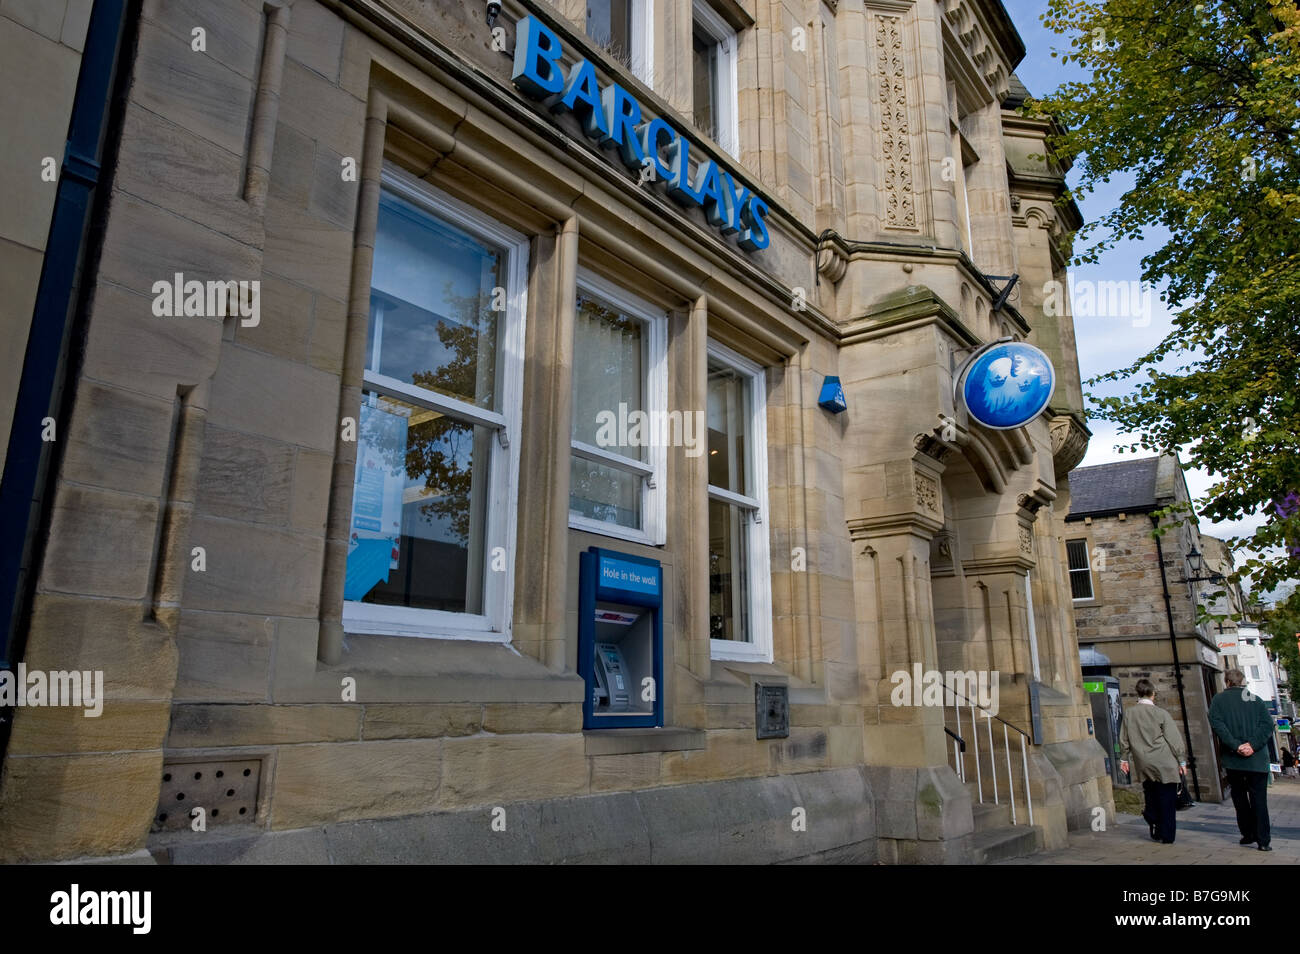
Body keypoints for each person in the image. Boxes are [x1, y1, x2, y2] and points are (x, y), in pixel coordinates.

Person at [1209, 669, 1275, 851]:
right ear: (1242, 681)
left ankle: (1248, 834)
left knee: (1240, 799)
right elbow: (1268, 725)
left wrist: (1236, 745)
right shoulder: (1256, 700)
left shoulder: (1218, 701)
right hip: (1257, 761)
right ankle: (1264, 841)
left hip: (1233, 760)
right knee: (1259, 800)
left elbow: (1217, 724)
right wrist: (1252, 745)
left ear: (1227, 682)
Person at [1119, 679, 1187, 844]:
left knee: (1151, 792)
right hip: (1164, 761)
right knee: (1167, 798)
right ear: (1153, 694)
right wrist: (1181, 761)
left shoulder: (1129, 713)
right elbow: (1174, 739)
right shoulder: (1160, 713)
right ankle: (1167, 835)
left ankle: (1153, 819)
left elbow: (1124, 739)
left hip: (1143, 762)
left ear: (1138, 693)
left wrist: (1123, 759)